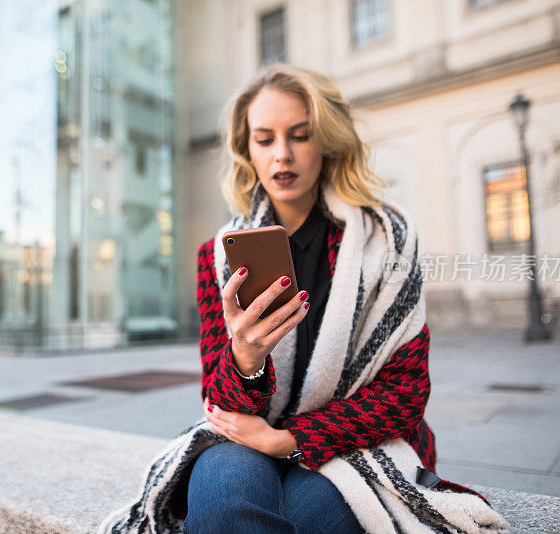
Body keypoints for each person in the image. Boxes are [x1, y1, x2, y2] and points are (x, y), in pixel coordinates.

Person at [99, 64, 507, 534]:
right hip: (246, 437)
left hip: (359, 444)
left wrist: (289, 440)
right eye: (265, 138)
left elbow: (405, 393)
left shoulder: (389, 239)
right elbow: (218, 398)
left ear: (327, 141)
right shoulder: (219, 254)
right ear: (247, 149)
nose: (282, 155)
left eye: (300, 135)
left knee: (310, 511)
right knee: (223, 497)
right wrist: (246, 360)